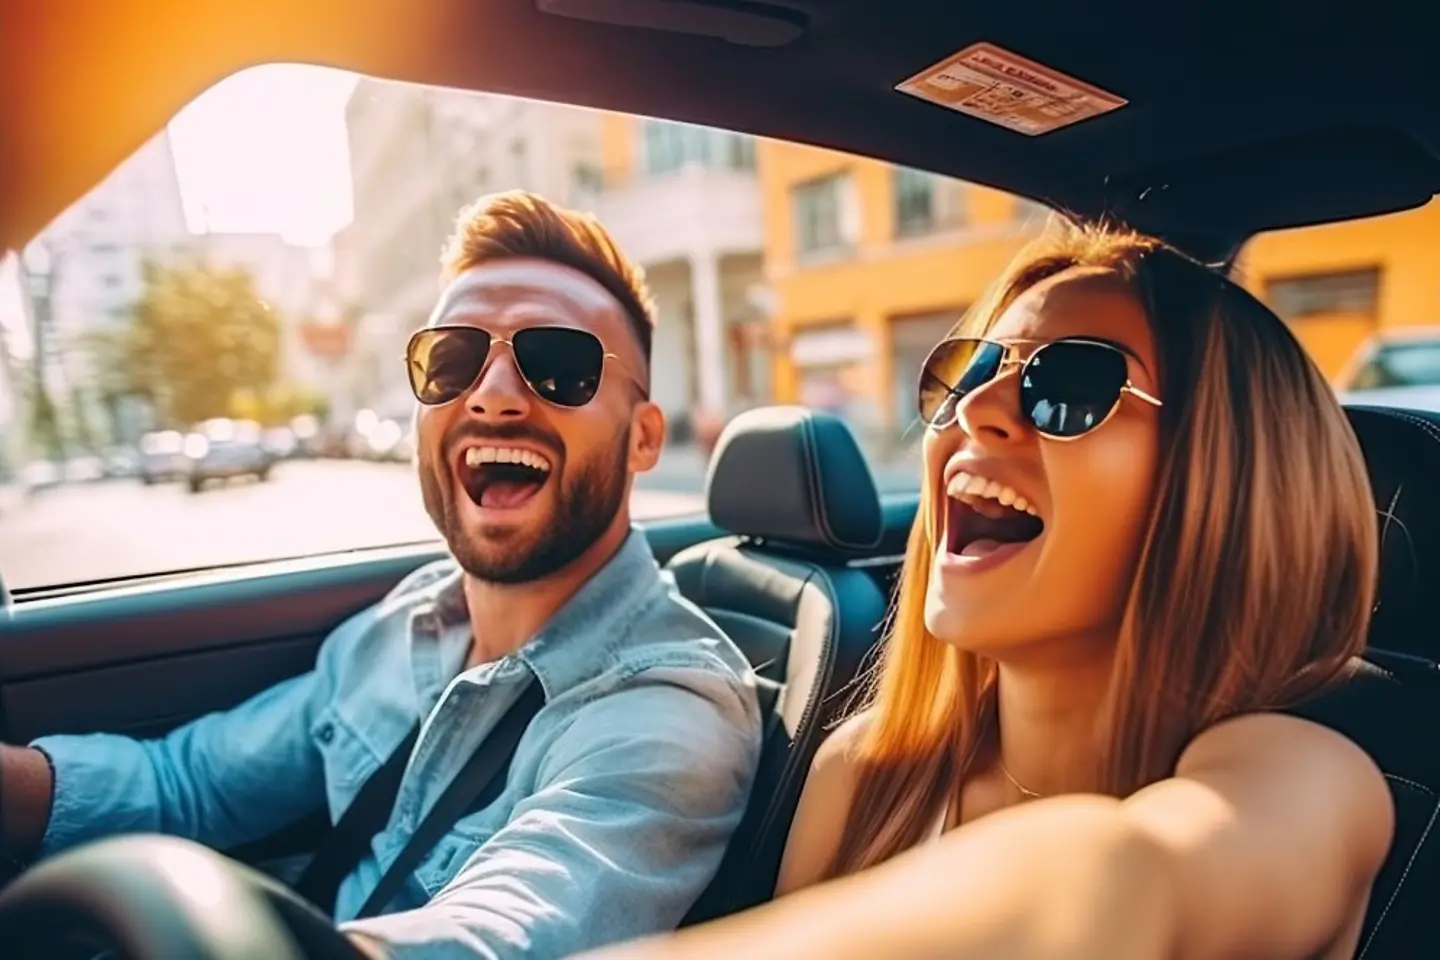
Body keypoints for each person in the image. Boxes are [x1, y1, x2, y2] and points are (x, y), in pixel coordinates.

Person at [579, 222, 1392, 959]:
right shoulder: (863, 775)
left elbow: (1125, 876)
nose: (978, 409)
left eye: (1070, 385)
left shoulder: (1307, 776)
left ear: (1225, 480)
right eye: (967, 375)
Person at [0, 191, 763, 959]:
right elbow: (189, 784)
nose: (492, 396)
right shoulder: (405, 622)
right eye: (453, 361)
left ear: (643, 439)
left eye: (558, 366)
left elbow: (495, 938)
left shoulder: (670, 710)